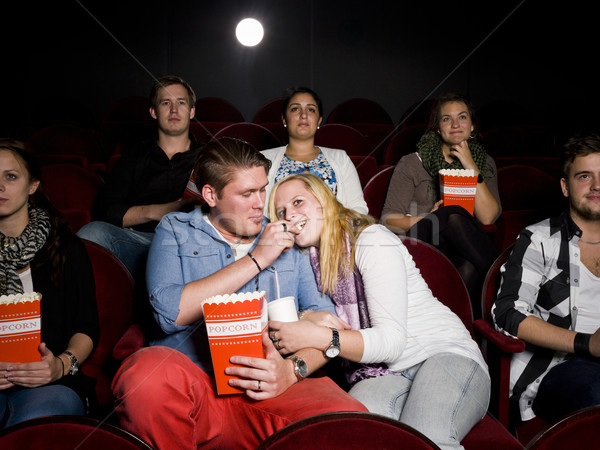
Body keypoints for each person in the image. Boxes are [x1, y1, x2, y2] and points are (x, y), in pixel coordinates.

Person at [111, 138, 367, 449]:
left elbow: (326, 328)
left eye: (263, 189)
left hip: (270, 389)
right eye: (247, 194)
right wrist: (257, 258)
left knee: (353, 420)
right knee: (146, 375)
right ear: (211, 194)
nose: (262, 203)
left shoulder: (284, 235)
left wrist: (291, 370)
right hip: (195, 386)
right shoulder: (176, 229)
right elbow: (170, 314)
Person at [268, 172, 490, 450]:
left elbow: (391, 342)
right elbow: (314, 315)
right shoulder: (311, 259)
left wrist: (318, 335)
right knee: (355, 434)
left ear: (323, 201)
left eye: (298, 202)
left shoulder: (371, 239)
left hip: (444, 354)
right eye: (281, 212)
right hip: (383, 373)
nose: (289, 215)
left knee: (429, 437)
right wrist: (306, 318)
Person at [493, 131, 600, 424]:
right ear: (565, 187)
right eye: (584, 176)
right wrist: (587, 343)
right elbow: (508, 315)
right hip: (556, 370)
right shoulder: (539, 239)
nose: (596, 186)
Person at [0, 140, 99, 428]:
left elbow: (87, 327)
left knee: (32, 424)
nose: (1, 186)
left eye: (11, 176)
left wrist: (60, 366)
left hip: (54, 381)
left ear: (32, 185)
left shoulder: (68, 248)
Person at [381, 93, 501, 317]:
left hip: (466, 247)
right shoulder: (411, 163)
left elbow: (488, 218)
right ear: (437, 128)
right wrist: (431, 217)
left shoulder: (485, 163)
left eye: (462, 117)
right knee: (452, 213)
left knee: (468, 267)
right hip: (422, 241)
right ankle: (504, 282)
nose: (455, 124)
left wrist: (470, 165)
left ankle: (461, 334)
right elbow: (387, 219)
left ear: (472, 125)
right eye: (446, 119)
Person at [77, 75, 201, 281]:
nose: (173, 109)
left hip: (192, 243)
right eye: (165, 103)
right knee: (92, 233)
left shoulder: (209, 157)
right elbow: (106, 210)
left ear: (192, 111)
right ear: (153, 112)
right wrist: (158, 211)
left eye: (181, 102)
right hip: (141, 242)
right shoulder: (134, 156)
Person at [261, 86, 368, 215]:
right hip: (282, 232)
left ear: (319, 120)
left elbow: (358, 207)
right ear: (284, 119)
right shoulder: (264, 159)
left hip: (334, 232)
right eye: (295, 109)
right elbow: (258, 211)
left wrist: (341, 231)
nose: (303, 115)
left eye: (311, 110)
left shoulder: (340, 158)